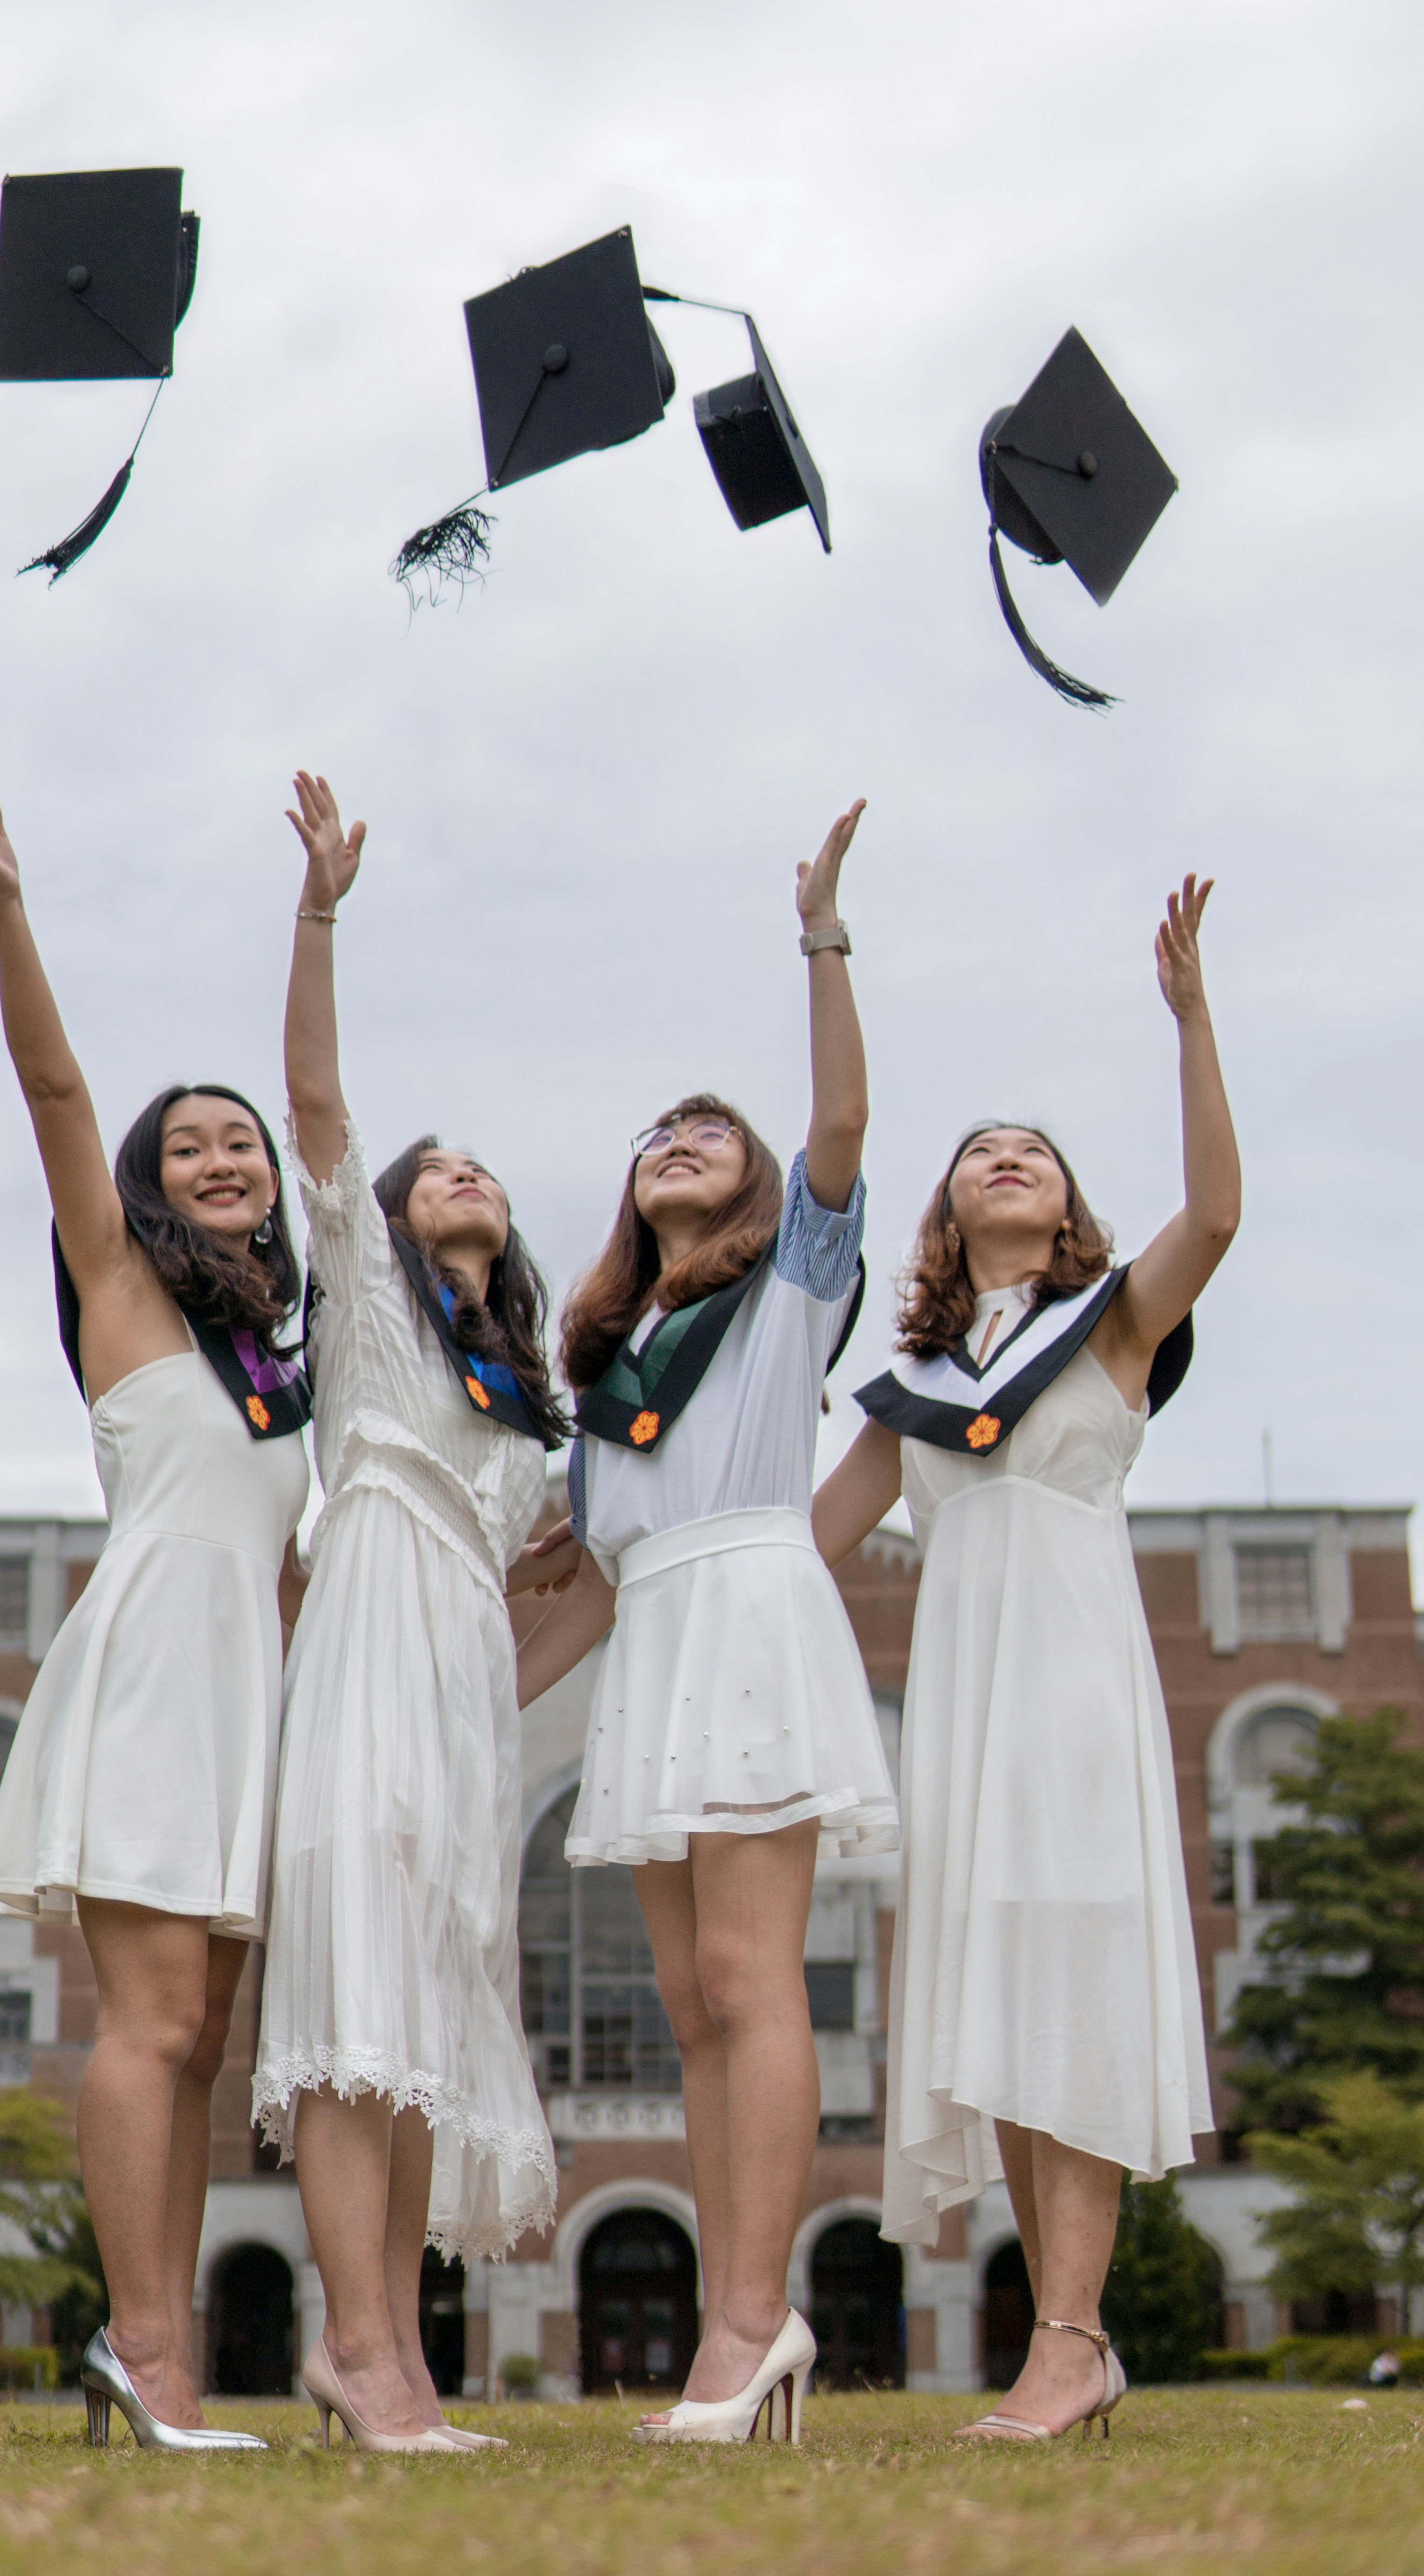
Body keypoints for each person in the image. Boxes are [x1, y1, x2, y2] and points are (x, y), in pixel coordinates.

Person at [812, 875, 1239, 2443]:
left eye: (1036, 1152)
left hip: (1071, 1676)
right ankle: (1067, 2343)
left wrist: (1190, 1021)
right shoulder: (914, 1386)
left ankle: (1069, 2337)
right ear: (946, 1210)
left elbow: (1217, 1214)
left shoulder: (1114, 1325)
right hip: (963, 1697)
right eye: (981, 1148)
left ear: (1066, 1214)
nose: (1007, 1153)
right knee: (997, 1991)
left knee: (1074, 1970)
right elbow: (800, 1545)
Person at [0, 777, 312, 2455]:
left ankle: (162, 2364)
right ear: (153, 1186)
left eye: (243, 1142)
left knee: (203, 2040)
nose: (221, 1158)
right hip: (157, 1673)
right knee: (151, 2022)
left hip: (249, 1694)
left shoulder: (284, 1364)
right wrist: (10, 904)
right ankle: (143, 2351)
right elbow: (55, 1087)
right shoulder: (121, 1285)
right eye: (190, 1146)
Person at [514, 801, 897, 2446]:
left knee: (751, 1977)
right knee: (691, 2007)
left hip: (749, 1620)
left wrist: (819, 936)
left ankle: (750, 2319)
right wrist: (456, 1698)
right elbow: (595, 1589)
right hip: (656, 1654)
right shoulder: (603, 1380)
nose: (678, 1138)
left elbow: (841, 1122)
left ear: (750, 1184)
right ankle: (732, 2337)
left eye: (707, 1129)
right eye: (656, 1131)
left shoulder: (785, 1294)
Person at [253, 772, 567, 2455]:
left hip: (463, 1684)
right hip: (370, 1625)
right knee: (352, 1997)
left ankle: (402, 2368)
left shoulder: (527, 1405)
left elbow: (560, 1569)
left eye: (481, 1169)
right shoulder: (371, 1305)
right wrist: (319, 910)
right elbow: (315, 1102)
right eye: (432, 1167)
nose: (460, 1176)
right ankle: (355, 2347)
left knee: (427, 2015)